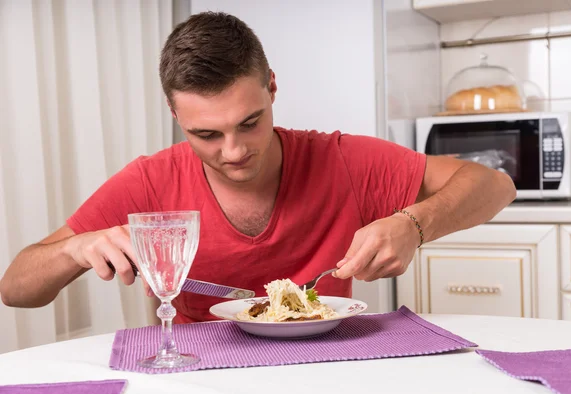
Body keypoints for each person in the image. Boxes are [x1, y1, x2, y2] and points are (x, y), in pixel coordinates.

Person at [0, 12, 516, 323]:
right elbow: (15, 289)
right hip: (203, 378)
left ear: (272, 86)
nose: (233, 151)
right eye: (206, 134)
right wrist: (74, 249)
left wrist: (415, 224)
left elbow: (495, 185)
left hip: (327, 370)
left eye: (250, 122)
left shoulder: (342, 160)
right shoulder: (150, 181)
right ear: (175, 114)